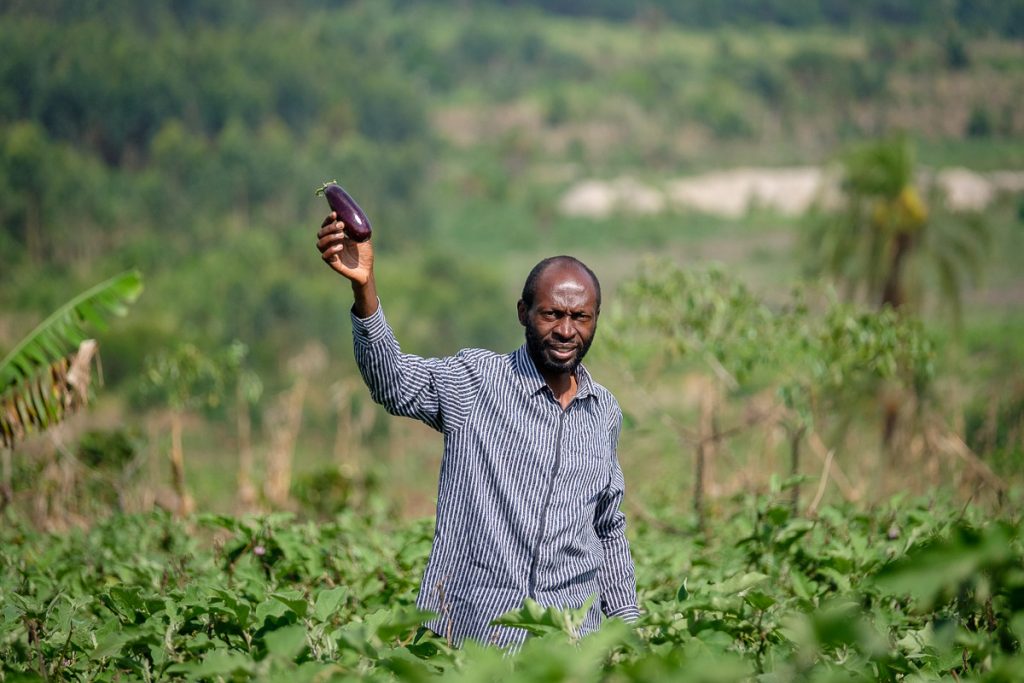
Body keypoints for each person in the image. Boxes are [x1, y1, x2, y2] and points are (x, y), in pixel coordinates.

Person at [316, 211, 639, 648]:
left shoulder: (603, 412)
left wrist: (630, 633)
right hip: (475, 635)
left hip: (568, 645)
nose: (566, 331)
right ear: (523, 312)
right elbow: (392, 382)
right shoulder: (476, 381)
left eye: (580, 317)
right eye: (551, 314)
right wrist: (365, 289)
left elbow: (607, 528)